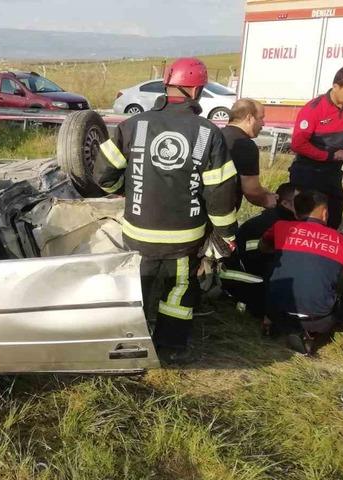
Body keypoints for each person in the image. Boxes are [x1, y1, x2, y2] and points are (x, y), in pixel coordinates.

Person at [93, 57, 238, 363]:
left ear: (166, 85)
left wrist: (127, 189)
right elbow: (220, 192)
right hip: (184, 238)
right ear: (197, 90)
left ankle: (130, 344)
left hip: (137, 233)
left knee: (138, 285)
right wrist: (225, 233)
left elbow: (102, 175)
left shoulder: (132, 126)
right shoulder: (208, 133)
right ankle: (170, 348)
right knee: (178, 290)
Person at [260, 190, 343, 356]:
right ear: (325, 213)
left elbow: (263, 248)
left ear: (296, 210)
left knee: (274, 263)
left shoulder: (280, 227)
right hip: (319, 320)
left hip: (276, 310)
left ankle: (271, 321)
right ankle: (309, 334)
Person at [289, 65, 343, 229]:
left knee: (333, 216)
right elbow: (298, 144)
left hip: (333, 172)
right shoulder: (313, 109)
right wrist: (328, 155)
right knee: (307, 220)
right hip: (308, 171)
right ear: (336, 86)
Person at [222, 183, 297, 318]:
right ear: (286, 203)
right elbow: (256, 259)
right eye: (302, 202)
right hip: (245, 283)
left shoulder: (280, 219)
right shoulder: (267, 223)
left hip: (251, 277)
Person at [222, 98, 277, 210]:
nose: (263, 123)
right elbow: (251, 191)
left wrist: (263, 190)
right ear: (249, 118)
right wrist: (268, 200)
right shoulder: (245, 145)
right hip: (223, 214)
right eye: (261, 118)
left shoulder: (217, 135)